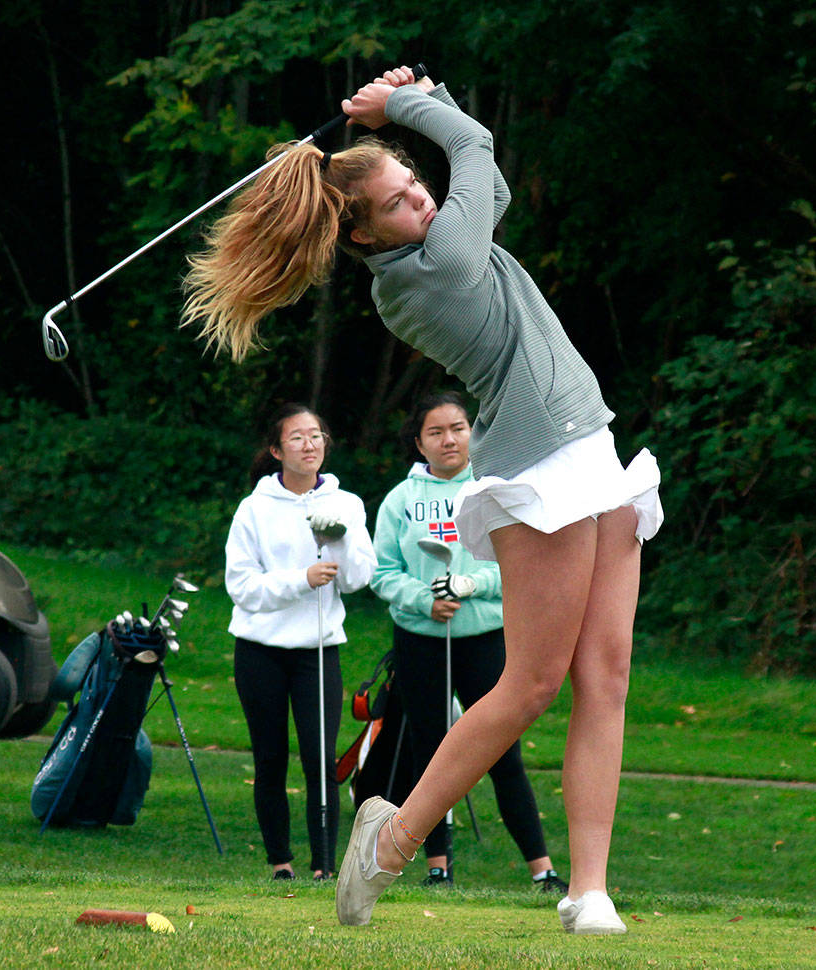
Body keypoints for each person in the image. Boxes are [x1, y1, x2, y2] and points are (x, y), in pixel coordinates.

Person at [183, 67, 662, 933]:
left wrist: (426, 96)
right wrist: (401, 107)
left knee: (608, 673)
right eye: (401, 202)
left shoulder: (443, 239)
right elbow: (474, 148)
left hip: (593, 446)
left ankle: (588, 889)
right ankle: (392, 840)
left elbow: (491, 180)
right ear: (364, 238)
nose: (424, 204)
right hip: (540, 468)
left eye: (417, 186)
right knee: (531, 683)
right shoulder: (424, 274)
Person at [370, 390, 566, 891]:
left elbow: (519, 567)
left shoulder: (492, 489)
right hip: (421, 638)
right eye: (435, 432)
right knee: (429, 747)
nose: (449, 439)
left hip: (484, 636)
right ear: (419, 442)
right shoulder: (400, 500)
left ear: (473, 432)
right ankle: (436, 863)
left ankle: (542, 869)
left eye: (457, 428)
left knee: (504, 751)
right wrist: (423, 599)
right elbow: (383, 573)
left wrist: (472, 584)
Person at [225, 403, 377, 881]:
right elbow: (242, 588)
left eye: (316, 436)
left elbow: (357, 579)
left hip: (318, 651)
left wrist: (340, 539)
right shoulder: (253, 510)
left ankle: (324, 867)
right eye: (297, 438)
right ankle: (280, 862)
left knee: (319, 759)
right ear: (276, 450)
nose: (309, 445)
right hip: (260, 651)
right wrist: (301, 579)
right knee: (269, 757)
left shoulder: (346, 503)